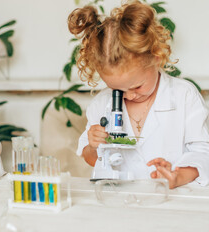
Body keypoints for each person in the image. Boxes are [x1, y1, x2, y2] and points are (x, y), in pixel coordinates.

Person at [70, 1, 209, 188]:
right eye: (118, 90)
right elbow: (89, 157)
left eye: (137, 86)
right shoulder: (102, 103)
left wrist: (177, 177)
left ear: (156, 58)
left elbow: (203, 154)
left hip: (172, 202)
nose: (129, 96)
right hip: (120, 203)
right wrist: (94, 146)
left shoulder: (184, 95)